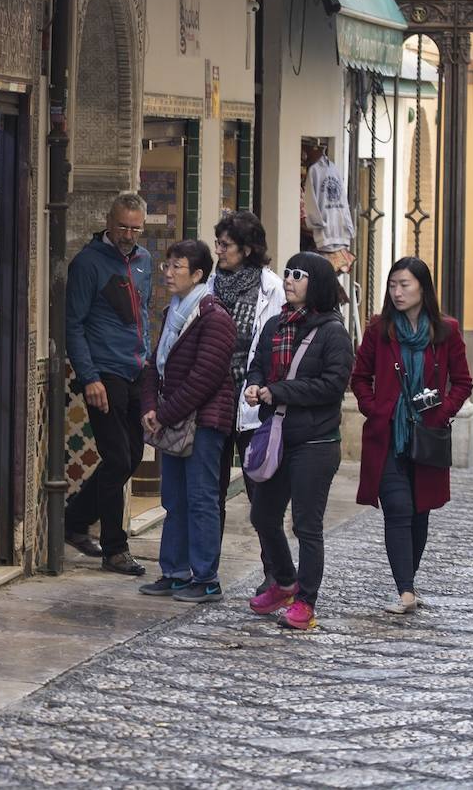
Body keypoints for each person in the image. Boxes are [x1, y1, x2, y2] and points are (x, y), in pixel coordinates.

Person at [351, 257, 473, 614]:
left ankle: (410, 581)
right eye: (393, 285)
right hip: (387, 435)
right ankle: (405, 590)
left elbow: (463, 382)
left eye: (404, 284)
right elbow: (359, 376)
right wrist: (374, 408)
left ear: (423, 287)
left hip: (428, 437)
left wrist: (442, 413)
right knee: (399, 509)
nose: (398, 291)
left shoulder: (446, 330)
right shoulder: (379, 328)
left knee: (420, 512)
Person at [244, 252, 353, 630]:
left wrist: (279, 391)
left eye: (298, 275)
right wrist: (256, 385)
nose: (288, 280)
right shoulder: (275, 325)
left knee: (307, 525)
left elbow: (332, 385)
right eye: (287, 273)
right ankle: (285, 582)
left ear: (317, 283)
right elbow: (257, 363)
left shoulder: (333, 333)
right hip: (277, 436)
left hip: (316, 443)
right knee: (263, 515)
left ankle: (305, 602)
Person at [138, 240, 237, 602]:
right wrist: (150, 405)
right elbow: (154, 363)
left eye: (176, 267)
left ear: (197, 274)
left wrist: (163, 414)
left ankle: (206, 577)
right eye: (167, 265)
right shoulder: (173, 312)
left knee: (201, 499)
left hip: (204, 422)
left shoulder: (214, 317)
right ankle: (175, 571)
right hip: (174, 419)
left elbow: (204, 379)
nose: (167, 272)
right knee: (174, 499)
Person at [64, 193, 155, 575]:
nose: (128, 234)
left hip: (136, 369)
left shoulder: (145, 261)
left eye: (135, 228)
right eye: (122, 226)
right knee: (118, 457)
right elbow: (73, 324)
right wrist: (90, 377)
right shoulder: (88, 263)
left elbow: (143, 314)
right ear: (108, 220)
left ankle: (73, 520)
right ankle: (115, 550)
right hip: (104, 374)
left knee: (132, 456)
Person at [206, 211, 285, 593]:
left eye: (226, 245)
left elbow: (274, 345)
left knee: (260, 491)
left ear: (247, 250)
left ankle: (274, 571)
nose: (218, 251)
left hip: (252, 402)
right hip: (214, 399)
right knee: (211, 489)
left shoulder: (270, 287)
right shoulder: (209, 282)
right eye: (218, 243)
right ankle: (206, 571)